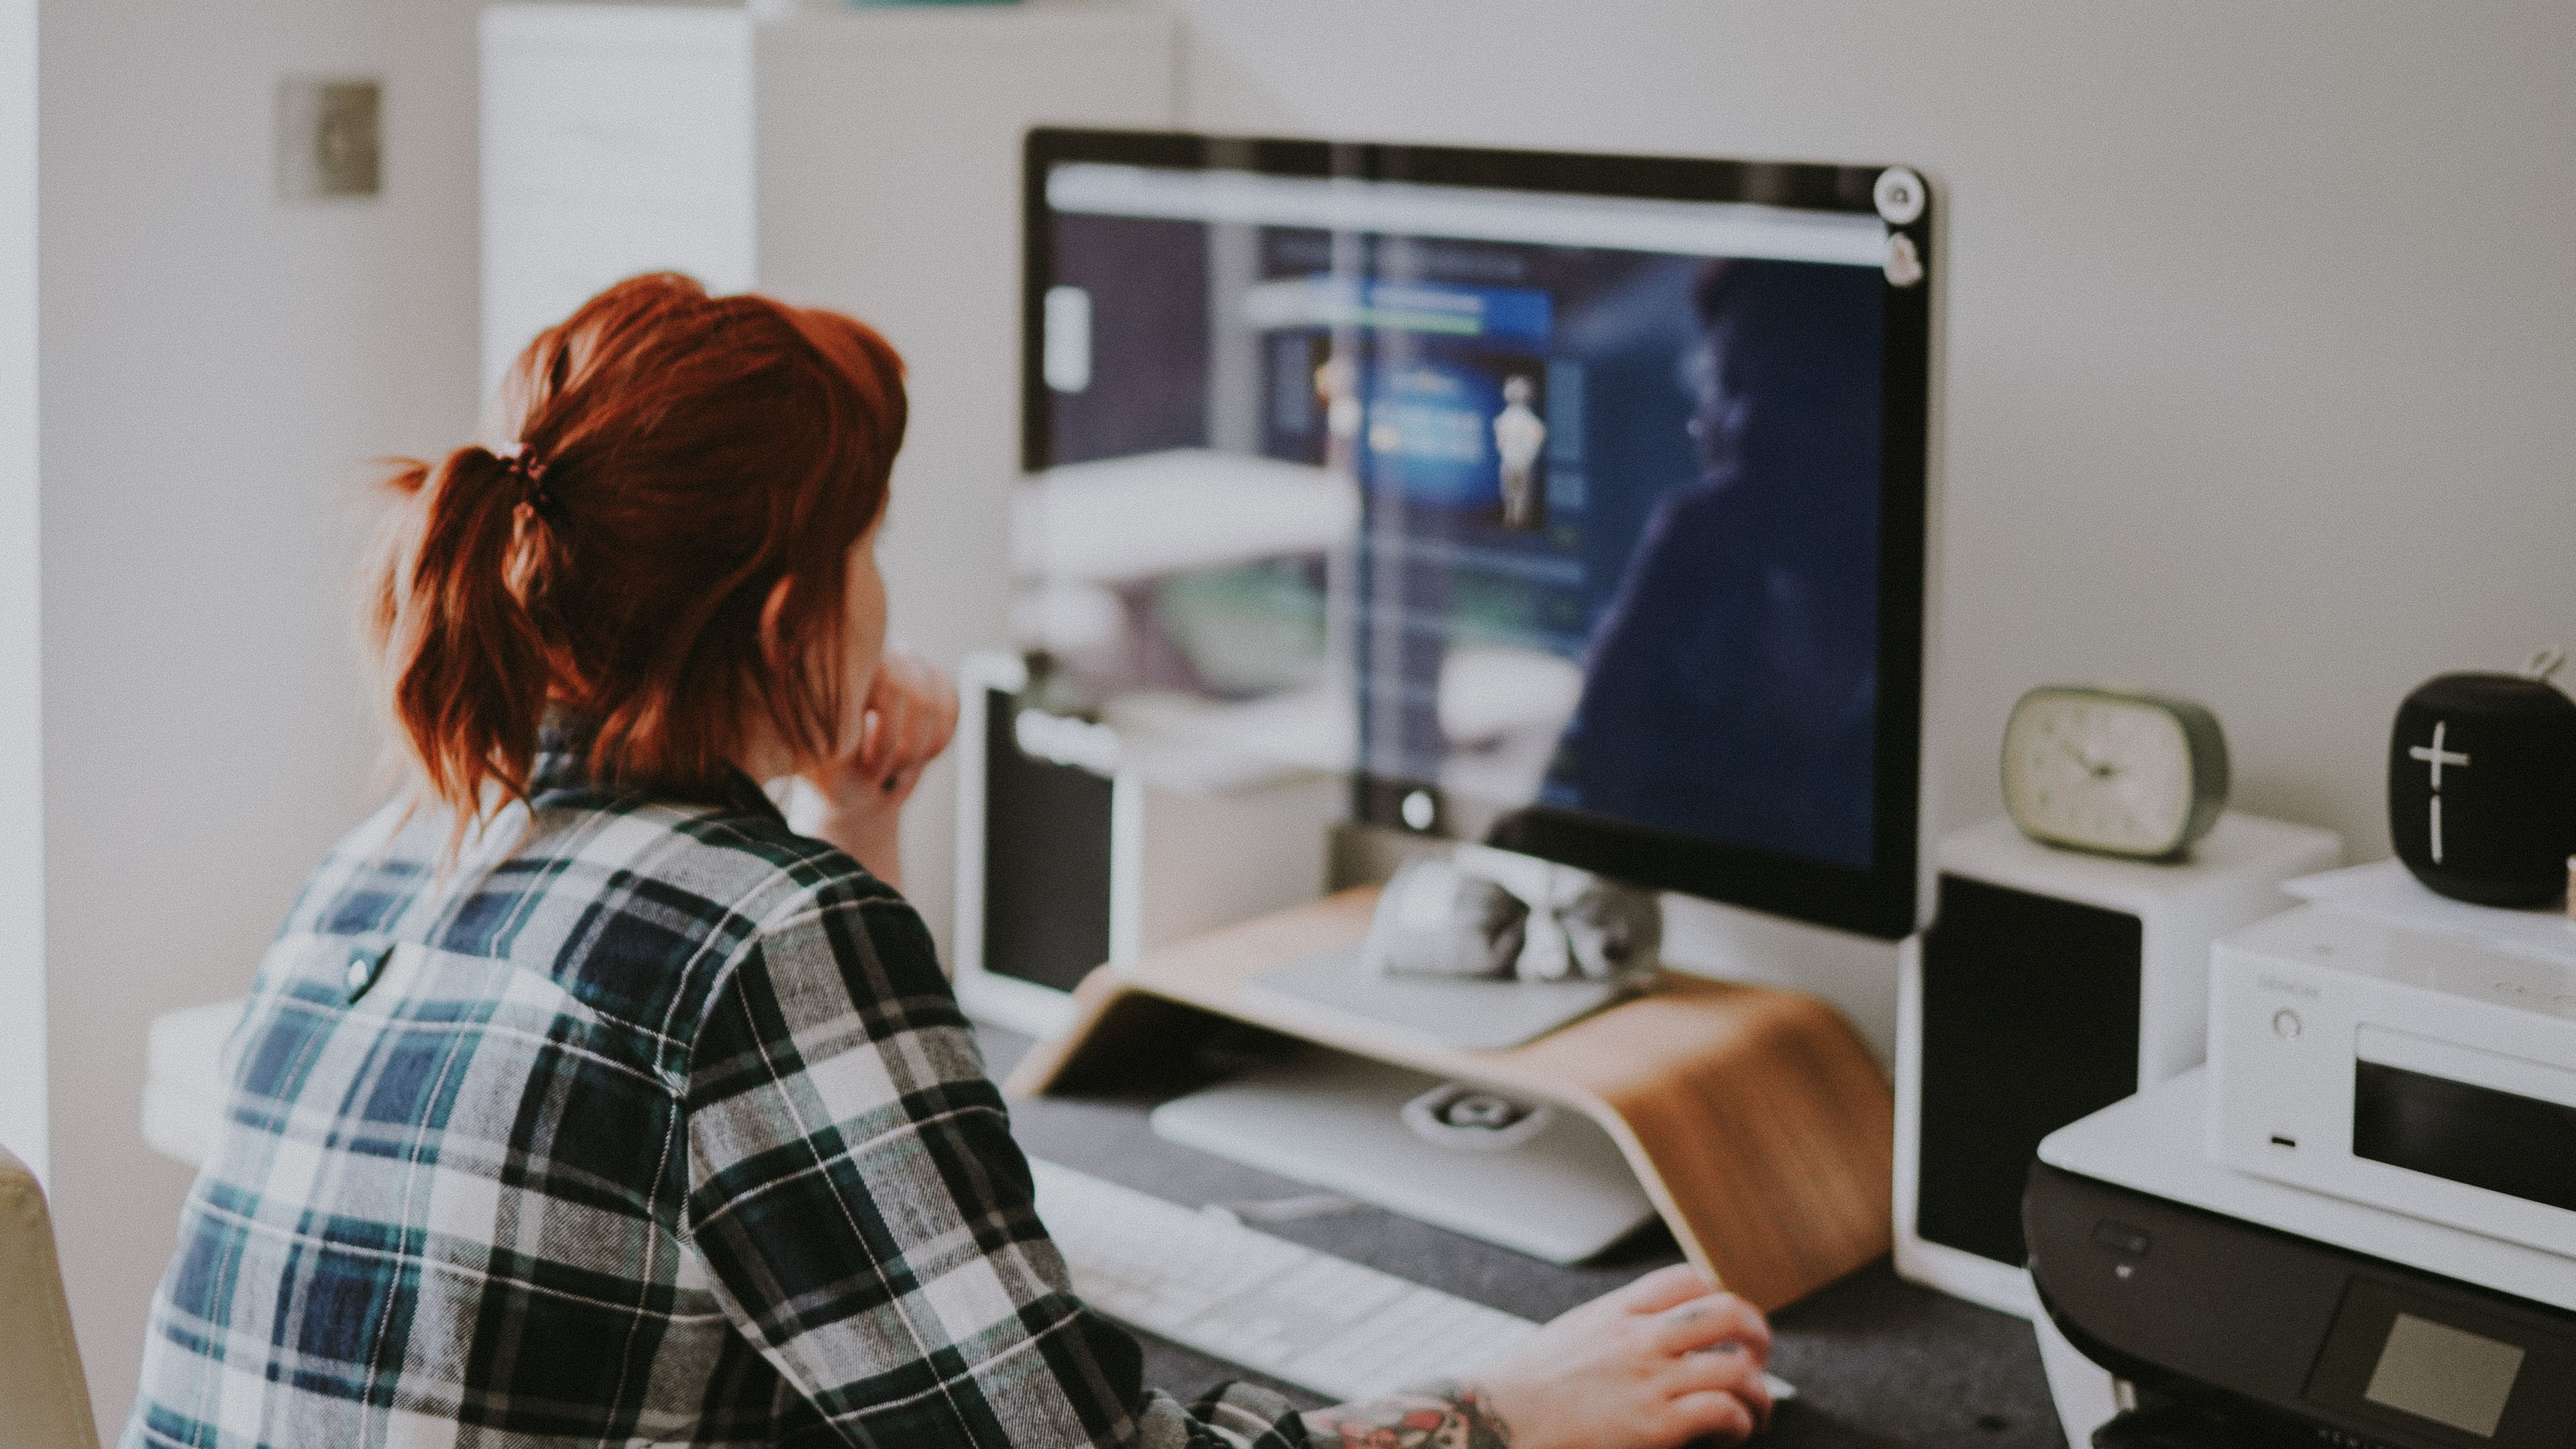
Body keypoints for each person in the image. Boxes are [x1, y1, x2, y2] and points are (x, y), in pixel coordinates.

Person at [123, 274, 1776, 1449]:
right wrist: (1510, 1412)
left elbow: (810, 1191)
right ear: (791, 618)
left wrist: (856, 830)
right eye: (871, 552)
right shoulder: (761, 943)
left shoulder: (400, 842)